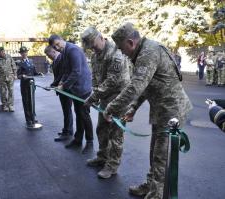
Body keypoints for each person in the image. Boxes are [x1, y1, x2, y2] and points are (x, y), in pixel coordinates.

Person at [103, 22, 193, 199]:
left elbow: (135, 86)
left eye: (121, 48)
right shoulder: (145, 50)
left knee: (160, 157)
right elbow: (146, 85)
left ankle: (155, 195)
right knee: (155, 152)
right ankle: (151, 186)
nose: (121, 52)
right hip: (162, 109)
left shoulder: (148, 53)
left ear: (131, 42)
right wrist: (134, 108)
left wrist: (111, 108)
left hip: (171, 111)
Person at [81, 27, 131, 179]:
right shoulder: (97, 55)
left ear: (101, 38)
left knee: (116, 134)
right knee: (101, 128)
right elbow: (96, 77)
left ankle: (112, 165)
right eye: (89, 47)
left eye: (93, 45)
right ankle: (102, 156)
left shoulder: (116, 53)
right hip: (104, 98)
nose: (92, 49)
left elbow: (112, 81)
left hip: (119, 98)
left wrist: (92, 97)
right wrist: (95, 93)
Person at [48, 34, 94, 154]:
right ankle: (78, 140)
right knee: (78, 114)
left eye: (57, 44)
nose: (57, 48)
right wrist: (59, 83)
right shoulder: (64, 52)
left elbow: (76, 72)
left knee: (84, 115)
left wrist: (63, 86)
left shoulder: (73, 50)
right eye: (54, 47)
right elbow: (65, 71)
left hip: (83, 89)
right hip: (75, 89)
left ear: (62, 40)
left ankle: (90, 142)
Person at [44, 45, 73, 141]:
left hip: (65, 89)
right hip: (61, 89)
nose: (48, 57)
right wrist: (52, 85)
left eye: (48, 55)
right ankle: (68, 130)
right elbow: (57, 76)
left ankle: (67, 132)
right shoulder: (56, 61)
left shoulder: (61, 59)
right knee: (66, 111)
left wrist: (52, 85)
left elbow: (62, 75)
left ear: (53, 51)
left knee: (67, 111)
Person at [16, 46, 42, 127]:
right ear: (20, 54)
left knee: (32, 101)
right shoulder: (19, 63)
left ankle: (33, 116)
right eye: (22, 52)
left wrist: (39, 73)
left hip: (31, 84)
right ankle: (28, 119)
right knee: (26, 102)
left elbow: (34, 72)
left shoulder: (31, 61)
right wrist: (22, 75)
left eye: (25, 52)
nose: (24, 54)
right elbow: (18, 75)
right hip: (24, 85)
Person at [0, 47, 17, 112]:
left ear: (4, 51)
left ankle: (10, 105)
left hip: (10, 77)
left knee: (11, 91)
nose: (2, 53)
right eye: (0, 52)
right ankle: (5, 105)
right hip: (1, 78)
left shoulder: (9, 57)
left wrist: (15, 74)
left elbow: (13, 65)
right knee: (3, 92)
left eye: (2, 51)